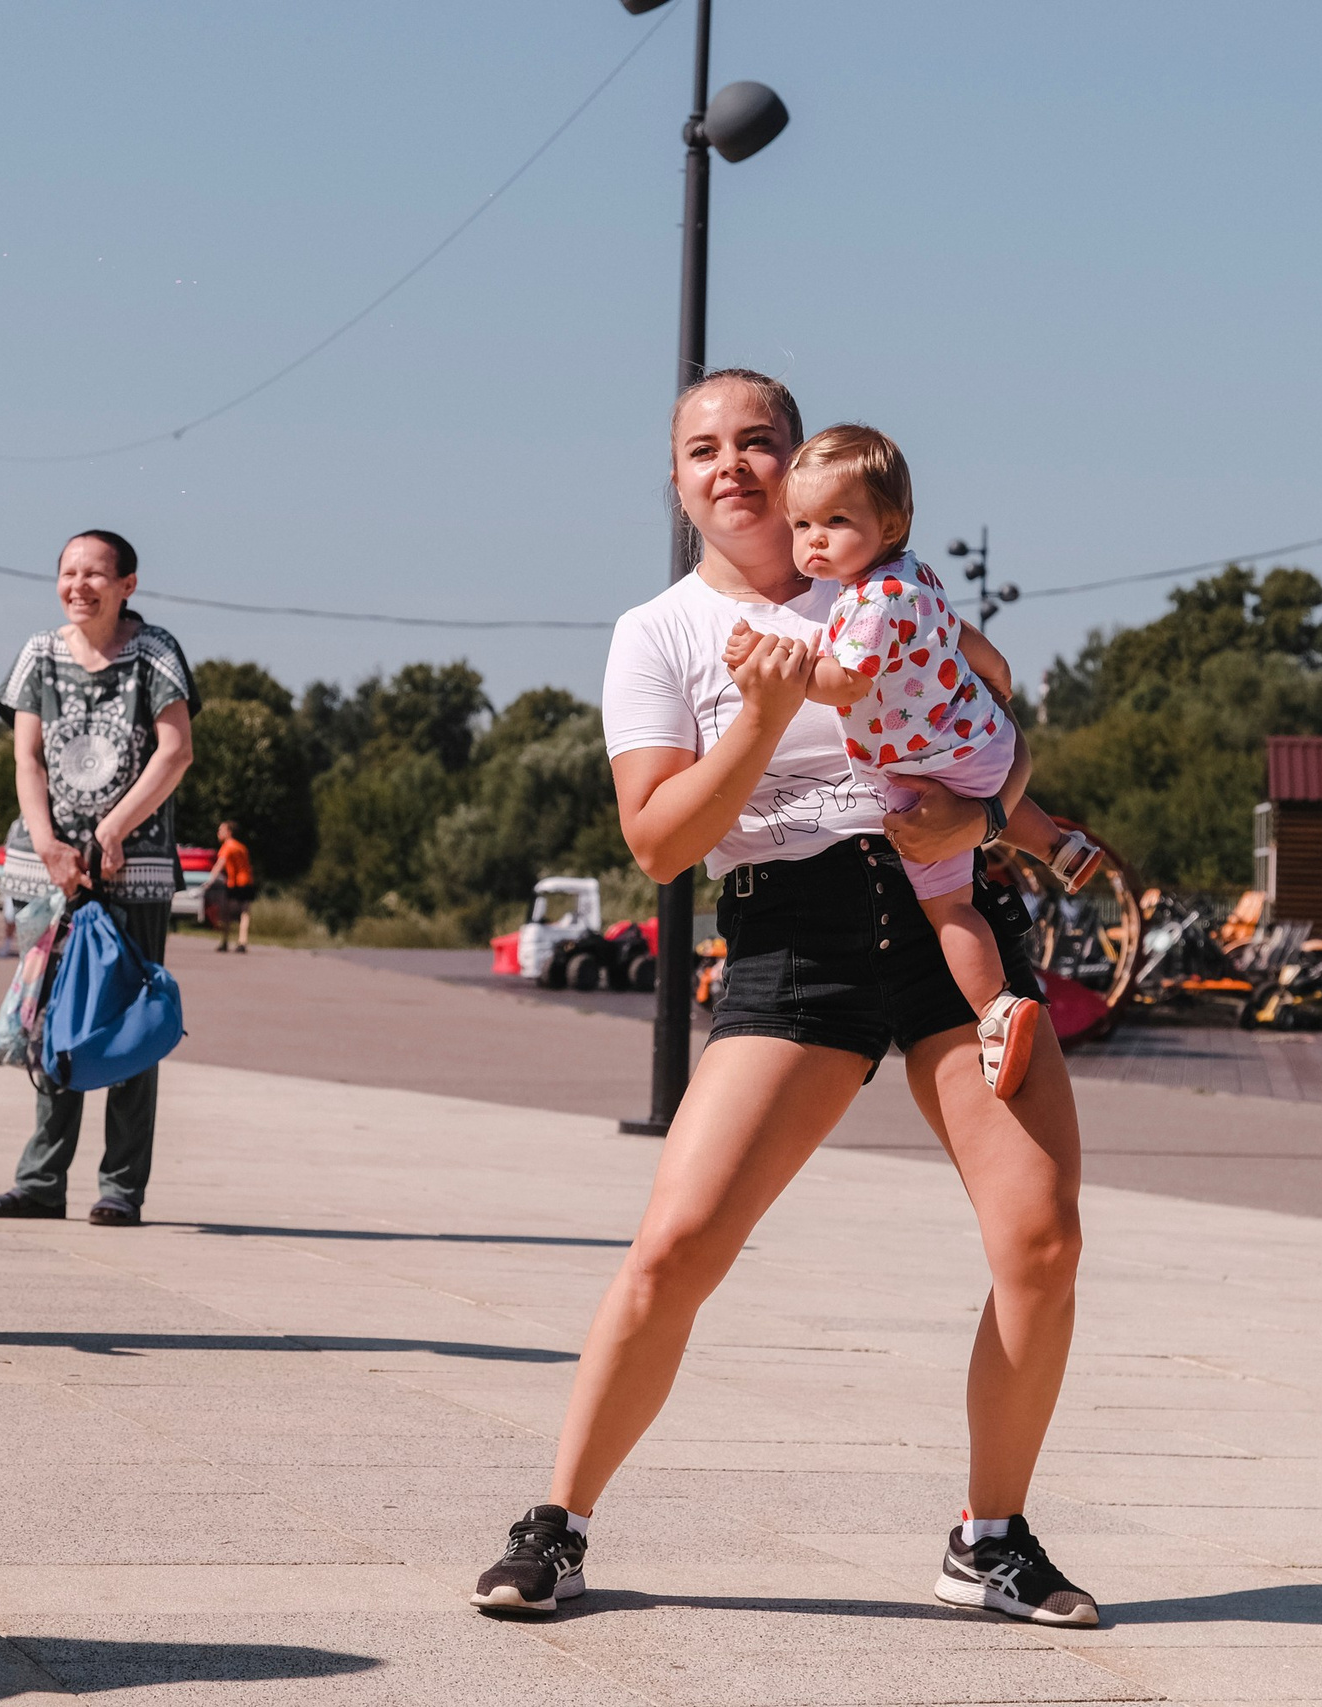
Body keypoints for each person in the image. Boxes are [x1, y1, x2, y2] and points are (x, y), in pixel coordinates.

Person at [471, 370, 1099, 1627]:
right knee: (677, 1244)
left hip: (945, 918)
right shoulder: (660, 633)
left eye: (759, 441)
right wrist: (756, 718)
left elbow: (996, 710)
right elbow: (656, 845)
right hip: (794, 935)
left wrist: (989, 805)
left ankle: (989, 1538)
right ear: (677, 479)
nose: (734, 466)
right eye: (704, 448)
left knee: (1042, 1239)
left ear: (803, 461)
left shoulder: (882, 584)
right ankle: (558, 1522)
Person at [757, 422, 1103, 1098]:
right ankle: (1063, 848)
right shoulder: (912, 577)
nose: (814, 539)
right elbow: (957, 630)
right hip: (980, 736)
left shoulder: (867, 604)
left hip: (922, 766)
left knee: (950, 908)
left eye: (835, 520)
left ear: (891, 523)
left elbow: (844, 682)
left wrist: (789, 670)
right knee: (995, 803)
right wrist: (995, 666)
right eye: (800, 524)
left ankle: (996, 1009)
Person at [0, 529, 195, 1228]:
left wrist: (111, 831)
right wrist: (48, 842)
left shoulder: (154, 653)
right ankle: (41, 1180)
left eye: (96, 573)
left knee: (128, 1021)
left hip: (135, 866)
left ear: (128, 583)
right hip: (52, 871)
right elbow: (27, 758)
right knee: (52, 1023)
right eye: (68, 572)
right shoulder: (39, 653)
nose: (79, 585)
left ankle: (120, 1187)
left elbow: (176, 750)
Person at [212, 819, 255, 953]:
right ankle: (242, 941)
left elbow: (220, 864)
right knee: (244, 912)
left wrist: (209, 880)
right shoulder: (241, 847)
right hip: (247, 882)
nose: (218, 832)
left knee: (227, 912)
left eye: (221, 830)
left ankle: (225, 941)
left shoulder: (227, 846)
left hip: (234, 883)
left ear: (228, 832)